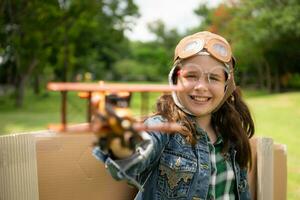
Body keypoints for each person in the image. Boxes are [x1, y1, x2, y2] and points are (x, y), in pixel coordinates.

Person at [93, 31, 254, 200]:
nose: (200, 86)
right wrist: (117, 132)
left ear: (226, 86)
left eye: (213, 78)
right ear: (175, 80)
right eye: (191, 76)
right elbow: (132, 158)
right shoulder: (162, 128)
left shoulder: (231, 135)